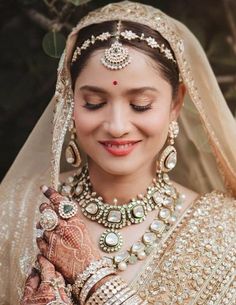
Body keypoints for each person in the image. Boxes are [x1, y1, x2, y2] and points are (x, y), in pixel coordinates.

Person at [0, 1, 235, 304]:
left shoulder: (225, 233)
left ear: (176, 103)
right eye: (94, 103)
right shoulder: (16, 210)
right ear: (71, 101)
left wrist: (92, 278)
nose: (117, 126)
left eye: (140, 105)